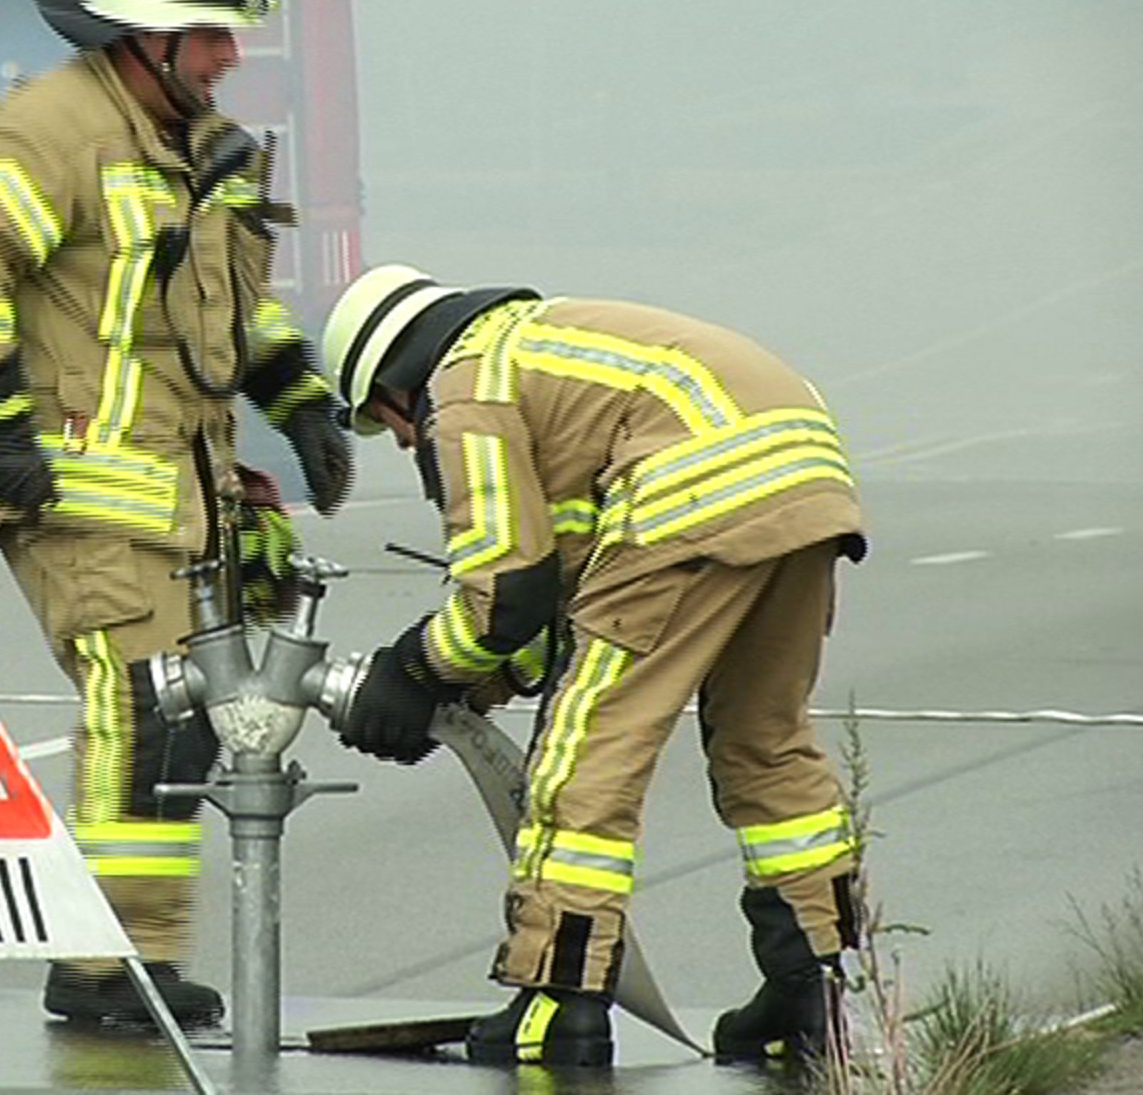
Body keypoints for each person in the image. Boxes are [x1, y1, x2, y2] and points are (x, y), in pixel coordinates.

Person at [0, 0, 354, 1029]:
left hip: (182, 490)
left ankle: (131, 956)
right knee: (141, 712)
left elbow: (228, 306)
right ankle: (101, 966)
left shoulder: (200, 144)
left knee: (188, 723)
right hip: (75, 486)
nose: (230, 56)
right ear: (146, 36)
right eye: (210, 37)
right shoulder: (46, 131)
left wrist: (297, 397)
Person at [321, 263, 867, 1068]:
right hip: (806, 478)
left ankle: (559, 1003)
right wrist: (469, 690)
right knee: (767, 742)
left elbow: (503, 593)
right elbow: (558, 608)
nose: (404, 442)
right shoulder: (544, 350)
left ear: (395, 382)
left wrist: (409, 674)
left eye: (387, 423)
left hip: (694, 489)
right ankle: (812, 990)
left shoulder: (466, 385)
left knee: (587, 751)